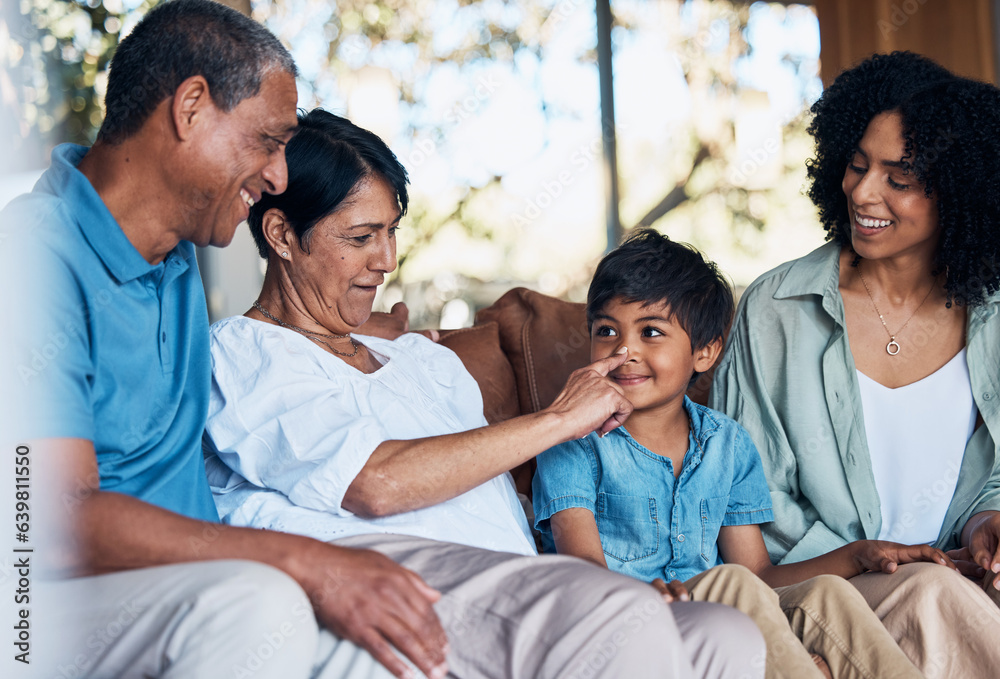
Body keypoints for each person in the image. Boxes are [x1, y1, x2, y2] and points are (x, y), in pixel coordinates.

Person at [0, 2, 758, 678]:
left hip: (252, 577)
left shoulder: (167, 267)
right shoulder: (40, 261)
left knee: (725, 636)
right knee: (267, 603)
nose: (273, 172)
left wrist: (385, 336)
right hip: (74, 603)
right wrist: (309, 561)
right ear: (191, 106)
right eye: (266, 142)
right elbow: (48, 517)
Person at [201, 106, 767, 679]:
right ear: (282, 235)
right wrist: (560, 419)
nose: (387, 260)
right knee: (624, 617)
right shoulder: (241, 353)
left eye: (392, 231)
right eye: (361, 236)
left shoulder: (422, 360)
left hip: (515, 577)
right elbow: (374, 483)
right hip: (405, 576)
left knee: (725, 634)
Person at [531, 228, 944, 679]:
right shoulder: (572, 441)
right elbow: (583, 570)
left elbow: (759, 575)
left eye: (651, 332)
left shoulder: (726, 443)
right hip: (622, 615)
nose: (624, 350)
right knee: (730, 582)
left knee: (826, 592)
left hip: (715, 607)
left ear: (705, 353)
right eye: (606, 331)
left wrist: (857, 554)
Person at [709, 51, 1000, 678]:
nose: (863, 192)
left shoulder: (994, 314)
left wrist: (987, 522)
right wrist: (870, 558)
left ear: (959, 190)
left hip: (961, 578)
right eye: (857, 164)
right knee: (931, 594)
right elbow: (743, 504)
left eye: (899, 178)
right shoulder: (776, 310)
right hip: (829, 591)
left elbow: (996, 474)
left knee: (944, 590)